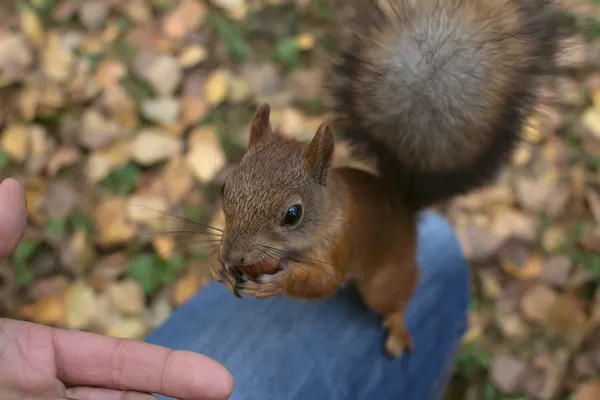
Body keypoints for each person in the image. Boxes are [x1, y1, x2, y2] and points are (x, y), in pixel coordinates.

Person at [0, 176, 470, 399]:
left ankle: (398, 318)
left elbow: (325, 281)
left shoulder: (335, 226)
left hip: (382, 257)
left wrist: (285, 279)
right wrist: (228, 262)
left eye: (288, 218)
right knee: (441, 245)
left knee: (405, 271)